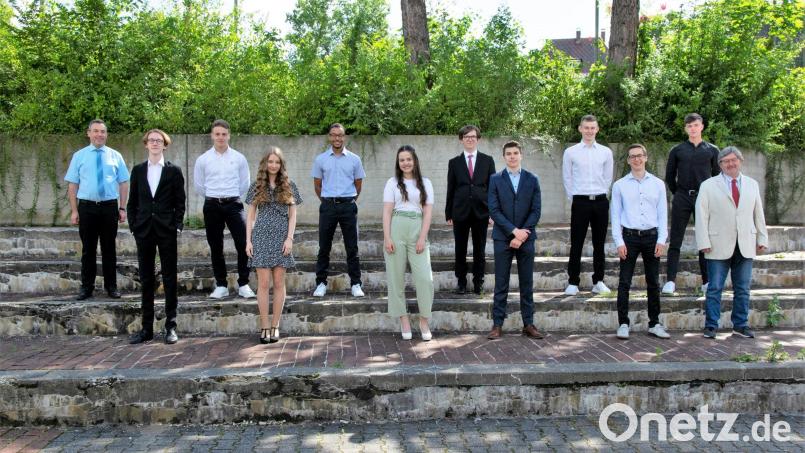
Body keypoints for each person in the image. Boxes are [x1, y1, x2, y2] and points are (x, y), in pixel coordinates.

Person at [695, 147, 768, 340]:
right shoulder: (709, 185)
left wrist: (762, 238)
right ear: (720, 165)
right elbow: (701, 216)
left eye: (733, 160)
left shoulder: (752, 184)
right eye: (725, 161)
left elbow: (758, 213)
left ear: (740, 161)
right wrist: (703, 241)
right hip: (717, 243)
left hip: (745, 243)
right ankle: (711, 326)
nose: (730, 164)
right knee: (715, 287)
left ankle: (740, 325)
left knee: (743, 288)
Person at [127, 129, 186, 345]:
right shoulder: (138, 170)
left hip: (166, 230)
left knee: (170, 278)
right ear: (146, 144)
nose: (154, 143)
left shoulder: (174, 171)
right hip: (144, 230)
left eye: (158, 141)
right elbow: (132, 202)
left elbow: (180, 202)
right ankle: (147, 328)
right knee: (146, 279)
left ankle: (171, 326)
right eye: (151, 140)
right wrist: (134, 226)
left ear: (164, 145)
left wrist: (177, 226)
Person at [65, 119, 130, 300]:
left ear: (106, 134)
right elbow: (72, 184)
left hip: (109, 207)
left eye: (102, 131)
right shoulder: (79, 156)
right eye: (95, 131)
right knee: (88, 250)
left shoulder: (115, 155)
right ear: (89, 133)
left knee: (109, 249)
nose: (99, 134)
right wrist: (74, 210)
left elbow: (124, 182)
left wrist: (122, 207)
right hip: (87, 208)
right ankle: (87, 288)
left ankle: (111, 287)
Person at [610, 144, 670, 340]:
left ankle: (654, 323)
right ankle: (623, 323)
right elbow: (616, 215)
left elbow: (663, 214)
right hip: (629, 237)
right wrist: (619, 241)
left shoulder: (658, 184)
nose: (636, 159)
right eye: (632, 156)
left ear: (646, 158)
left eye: (640, 156)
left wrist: (662, 239)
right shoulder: (619, 185)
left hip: (652, 237)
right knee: (624, 282)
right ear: (627, 160)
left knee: (653, 282)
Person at [486, 141, 544, 340]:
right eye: (508, 153)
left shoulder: (532, 179)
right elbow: (494, 210)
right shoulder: (495, 179)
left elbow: (536, 211)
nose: (512, 156)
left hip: (526, 239)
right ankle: (497, 325)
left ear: (521, 155)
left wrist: (523, 233)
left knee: (526, 283)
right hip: (502, 238)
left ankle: (528, 324)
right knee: (501, 283)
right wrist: (513, 232)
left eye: (515, 153)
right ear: (504, 157)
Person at [245, 148, 302, 344]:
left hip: (281, 239)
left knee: (279, 283)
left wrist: (290, 239)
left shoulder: (289, 186)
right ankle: (264, 326)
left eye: (277, 162)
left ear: (281, 165)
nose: (273, 165)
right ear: (265, 163)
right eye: (270, 161)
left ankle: (276, 325)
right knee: (262, 284)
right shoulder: (256, 187)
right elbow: (250, 216)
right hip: (260, 237)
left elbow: (293, 215)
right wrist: (248, 241)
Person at [193, 119, 255, 299]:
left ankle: (243, 283)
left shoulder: (239, 158)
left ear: (229, 135)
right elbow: (199, 186)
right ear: (212, 135)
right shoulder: (203, 159)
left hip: (234, 204)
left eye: (224, 134)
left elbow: (245, 184)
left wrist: (230, 195)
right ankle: (221, 284)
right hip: (212, 204)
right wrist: (215, 196)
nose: (221, 137)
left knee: (244, 243)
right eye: (217, 134)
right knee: (215, 245)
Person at [663, 113, 720, 295]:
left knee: (705, 239)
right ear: (685, 128)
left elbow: (718, 177)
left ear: (702, 126)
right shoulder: (677, 150)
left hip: (704, 198)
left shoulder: (712, 150)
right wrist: (679, 193)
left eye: (696, 125)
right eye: (689, 126)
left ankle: (707, 281)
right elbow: (669, 176)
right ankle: (670, 281)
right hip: (682, 197)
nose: (693, 129)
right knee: (675, 240)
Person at [382, 145, 435, 341]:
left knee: (425, 278)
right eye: (402, 159)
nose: (405, 163)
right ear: (398, 162)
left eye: (409, 159)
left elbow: (428, 212)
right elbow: (387, 211)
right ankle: (403, 319)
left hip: (417, 228)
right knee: (396, 277)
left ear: (415, 161)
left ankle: (424, 320)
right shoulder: (392, 183)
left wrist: (422, 237)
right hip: (396, 227)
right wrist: (387, 237)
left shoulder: (426, 183)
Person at [311, 123, 366, 298]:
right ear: (329, 137)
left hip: (348, 206)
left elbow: (358, 184)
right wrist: (329, 201)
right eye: (334, 135)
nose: (337, 138)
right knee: (324, 247)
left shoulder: (354, 159)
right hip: (328, 206)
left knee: (352, 247)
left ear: (344, 137)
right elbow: (317, 186)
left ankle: (356, 284)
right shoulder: (321, 159)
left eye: (340, 135)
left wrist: (348, 201)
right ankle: (321, 283)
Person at [562, 115, 613, 296]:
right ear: (580, 129)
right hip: (580, 201)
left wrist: (601, 193)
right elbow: (567, 178)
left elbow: (608, 178)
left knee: (599, 243)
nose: (589, 131)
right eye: (586, 127)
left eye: (593, 127)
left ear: (597, 129)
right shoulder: (571, 152)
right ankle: (573, 282)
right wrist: (575, 198)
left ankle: (598, 281)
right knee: (577, 242)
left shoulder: (606, 152)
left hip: (600, 201)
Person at [445, 125, 496, 295]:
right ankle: (461, 282)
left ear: (478, 139)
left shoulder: (487, 160)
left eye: (473, 136)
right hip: (459, 211)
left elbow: (492, 188)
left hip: (482, 212)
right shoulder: (454, 162)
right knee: (460, 248)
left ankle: (478, 282)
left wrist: (492, 212)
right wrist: (448, 212)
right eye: (466, 136)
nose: (470, 139)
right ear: (461, 139)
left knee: (479, 250)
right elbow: (450, 188)